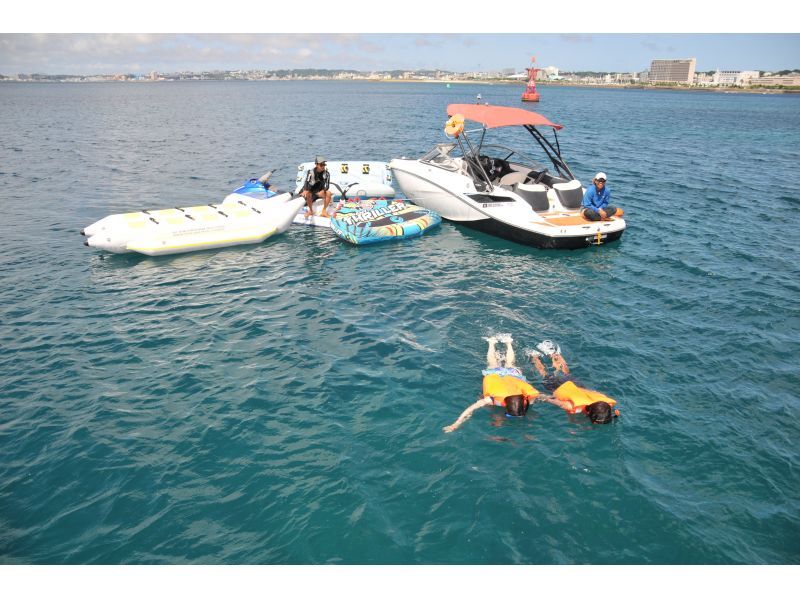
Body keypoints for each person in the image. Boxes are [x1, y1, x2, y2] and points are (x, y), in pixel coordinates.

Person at [443, 335, 540, 433]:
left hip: (512, 374)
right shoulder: (492, 399)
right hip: (495, 374)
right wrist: (455, 424)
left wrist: (456, 424)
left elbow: (470, 410)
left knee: (509, 364)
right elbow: (471, 409)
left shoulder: (529, 399)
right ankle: (493, 343)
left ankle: (506, 342)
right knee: (493, 364)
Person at [530, 340, 620, 424]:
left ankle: (554, 354)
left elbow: (610, 410)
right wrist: (538, 396)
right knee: (544, 374)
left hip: (577, 385)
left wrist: (615, 415)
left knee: (566, 373)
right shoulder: (570, 406)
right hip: (559, 388)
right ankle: (534, 356)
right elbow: (550, 399)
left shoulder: (604, 404)